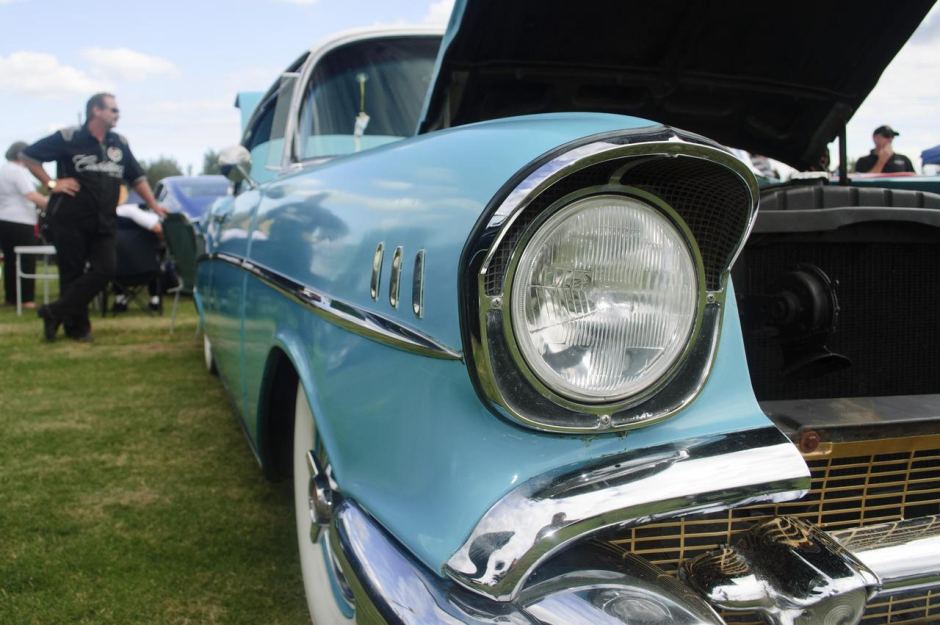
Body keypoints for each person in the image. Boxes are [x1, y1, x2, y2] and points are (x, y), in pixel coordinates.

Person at [20, 92, 168, 341]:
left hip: (105, 219)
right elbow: (28, 156)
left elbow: (137, 177)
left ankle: (53, 312)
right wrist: (52, 182)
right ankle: (76, 329)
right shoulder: (69, 137)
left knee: (106, 270)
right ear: (96, 111)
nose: (117, 114)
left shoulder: (118, 143)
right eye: (113, 110)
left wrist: (154, 205)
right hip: (70, 218)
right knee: (72, 273)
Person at [0, 141, 49, 308]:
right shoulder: (19, 171)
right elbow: (31, 195)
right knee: (26, 259)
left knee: (10, 261)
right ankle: (27, 299)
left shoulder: (3, 170)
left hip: (3, 219)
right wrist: (50, 204)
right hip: (21, 220)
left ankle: (11, 298)